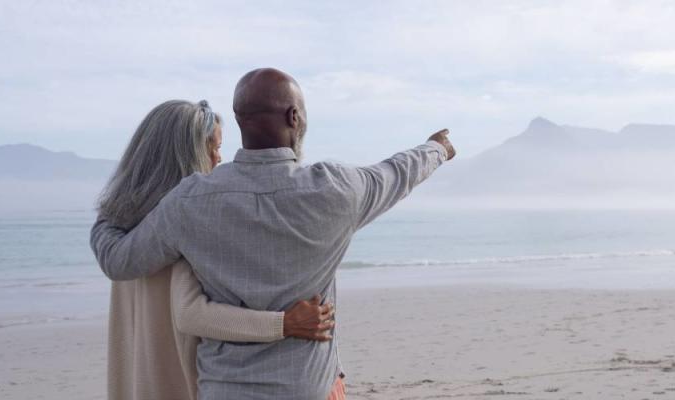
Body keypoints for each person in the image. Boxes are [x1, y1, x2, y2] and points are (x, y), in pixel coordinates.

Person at [91, 68, 456, 400]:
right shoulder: (334, 190)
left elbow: (119, 261)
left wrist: (108, 214)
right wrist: (437, 149)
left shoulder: (189, 201)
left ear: (238, 120)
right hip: (308, 389)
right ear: (294, 117)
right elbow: (397, 172)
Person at [97, 99, 337, 400]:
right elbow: (193, 314)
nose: (219, 159)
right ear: (184, 155)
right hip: (183, 384)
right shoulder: (185, 223)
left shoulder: (122, 226)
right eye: (213, 147)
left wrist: (103, 220)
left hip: (137, 384)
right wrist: (285, 323)